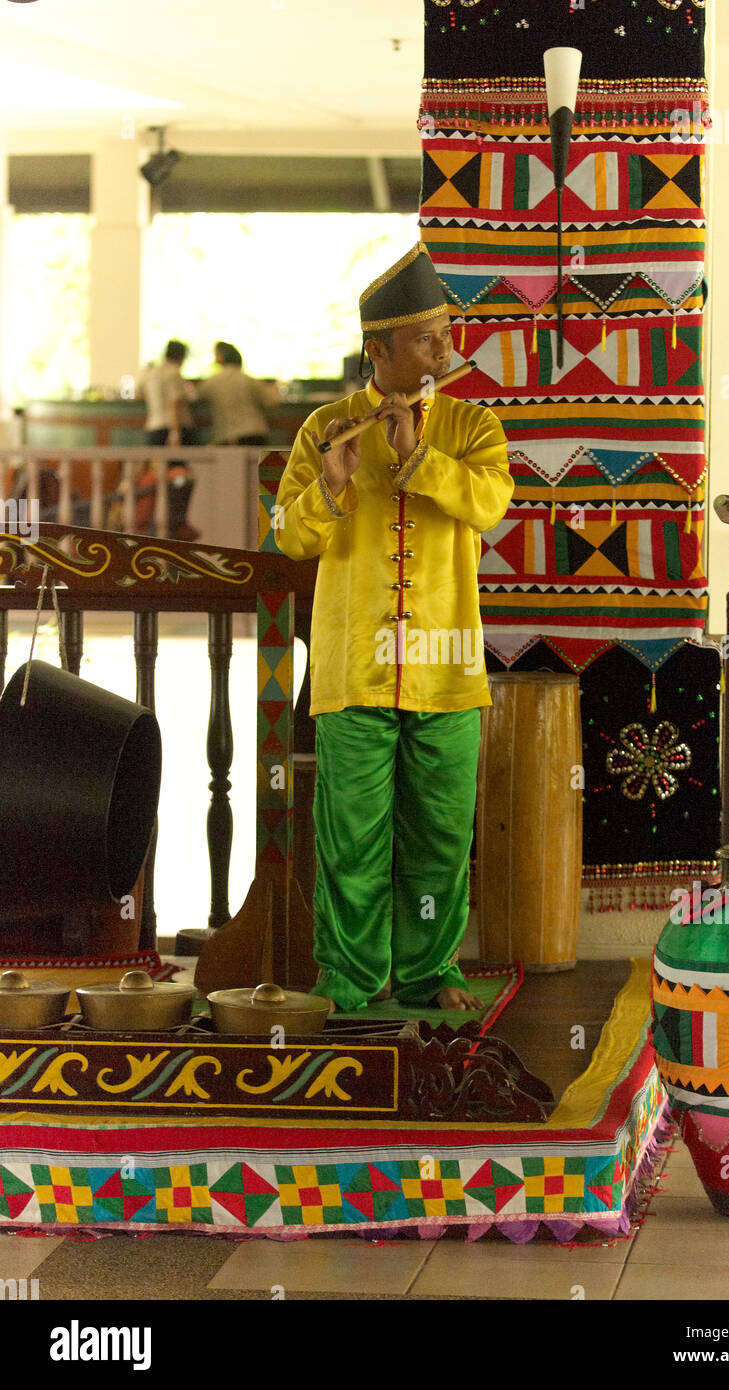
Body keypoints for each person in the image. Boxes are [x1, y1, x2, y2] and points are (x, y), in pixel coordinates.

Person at [274, 243, 514, 1013]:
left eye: (446, 333)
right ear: (377, 350)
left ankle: (427, 971)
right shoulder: (326, 427)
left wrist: (420, 457)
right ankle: (347, 981)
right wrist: (332, 486)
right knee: (352, 841)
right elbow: (286, 533)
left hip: (446, 666)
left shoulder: (473, 426)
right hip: (354, 667)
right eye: (426, 338)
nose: (445, 349)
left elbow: (489, 505)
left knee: (441, 839)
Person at [138, 340, 199, 541]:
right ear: (181, 357)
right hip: (171, 429)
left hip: (152, 427)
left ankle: (156, 520)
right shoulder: (174, 373)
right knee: (178, 476)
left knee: (157, 475)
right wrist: (175, 432)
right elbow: (175, 402)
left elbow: (138, 394)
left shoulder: (150, 372)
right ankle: (176, 520)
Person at [197, 342, 273, 446]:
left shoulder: (212, 381)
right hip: (256, 432)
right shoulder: (249, 379)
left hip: (228, 437)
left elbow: (195, 396)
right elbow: (271, 401)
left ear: (221, 357)